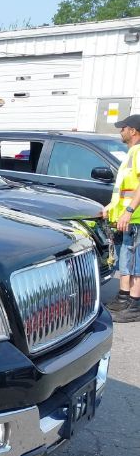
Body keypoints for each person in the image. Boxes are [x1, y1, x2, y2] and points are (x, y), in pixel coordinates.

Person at [104, 114, 140, 322]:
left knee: (135, 263)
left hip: (136, 218)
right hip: (129, 218)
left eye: (123, 128)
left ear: (133, 131)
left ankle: (134, 305)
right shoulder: (132, 153)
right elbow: (124, 190)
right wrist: (111, 207)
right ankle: (125, 297)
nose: (120, 131)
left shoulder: (138, 153)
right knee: (127, 259)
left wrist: (129, 211)